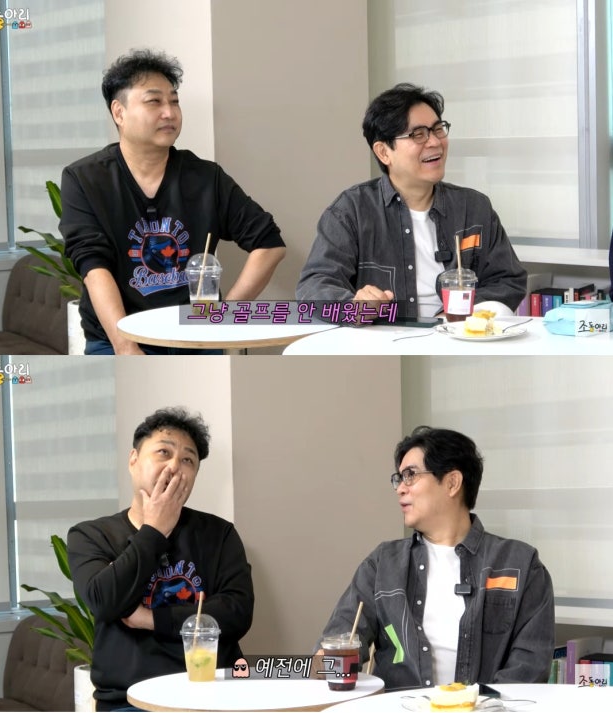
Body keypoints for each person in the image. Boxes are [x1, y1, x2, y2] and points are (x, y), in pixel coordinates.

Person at [61, 49, 286, 354]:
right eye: (154, 101)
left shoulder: (206, 177)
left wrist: (224, 316)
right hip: (117, 339)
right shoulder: (85, 179)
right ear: (119, 112)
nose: (169, 112)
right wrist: (126, 348)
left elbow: (269, 244)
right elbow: (93, 266)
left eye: (174, 101)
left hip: (195, 339)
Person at [319, 426, 554, 691]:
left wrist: (471, 705)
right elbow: (335, 646)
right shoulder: (383, 564)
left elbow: (528, 669)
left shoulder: (521, 565)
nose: (400, 489)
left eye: (410, 476)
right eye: (399, 479)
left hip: (486, 709)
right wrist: (322, 667)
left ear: (452, 482)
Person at [67, 407, 254, 711]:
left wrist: (150, 619)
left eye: (188, 460)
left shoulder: (219, 534)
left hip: (214, 695)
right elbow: (105, 600)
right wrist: (155, 530)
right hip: (129, 701)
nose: (174, 467)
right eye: (163, 452)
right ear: (133, 460)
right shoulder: (91, 536)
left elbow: (237, 613)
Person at [296, 83, 527, 318]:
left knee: (498, 311)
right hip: (387, 337)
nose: (435, 142)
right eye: (418, 134)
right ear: (384, 152)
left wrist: (450, 316)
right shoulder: (352, 210)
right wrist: (353, 307)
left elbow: (508, 280)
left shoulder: (474, 208)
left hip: (458, 334)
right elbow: (313, 286)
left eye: (438, 129)